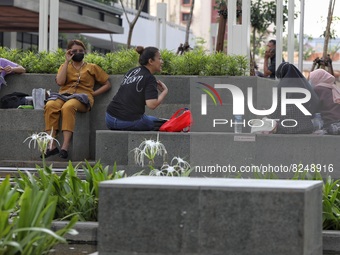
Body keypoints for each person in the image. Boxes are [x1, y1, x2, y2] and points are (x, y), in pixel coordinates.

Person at [43, 39, 111, 159]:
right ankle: (51, 145)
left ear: (84, 52)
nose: (78, 52)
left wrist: (93, 94)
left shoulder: (92, 67)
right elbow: (60, 82)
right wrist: (66, 61)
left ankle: (65, 147)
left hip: (82, 98)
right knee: (50, 105)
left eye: (80, 50)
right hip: (63, 95)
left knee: (68, 106)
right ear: (69, 52)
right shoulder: (64, 66)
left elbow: (107, 84)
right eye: (74, 51)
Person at [106, 46, 168, 131]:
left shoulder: (131, 71)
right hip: (127, 121)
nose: (162, 62)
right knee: (159, 123)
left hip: (109, 118)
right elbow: (152, 104)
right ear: (150, 61)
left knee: (149, 118)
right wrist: (164, 91)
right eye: (159, 58)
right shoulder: (149, 78)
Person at [268, 62, 319, 134]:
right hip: (305, 126)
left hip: (286, 128)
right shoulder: (303, 86)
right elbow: (315, 101)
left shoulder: (281, 87)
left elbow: (276, 109)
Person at [309, 69, 340, 134]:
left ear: (316, 78)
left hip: (329, 120)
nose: (311, 81)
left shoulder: (318, 89)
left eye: (312, 78)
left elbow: (313, 107)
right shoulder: (333, 87)